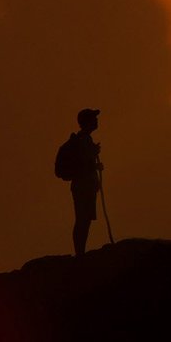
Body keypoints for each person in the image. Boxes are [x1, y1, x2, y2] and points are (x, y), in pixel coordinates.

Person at [69, 108, 103, 256]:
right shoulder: (83, 140)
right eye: (93, 119)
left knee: (85, 219)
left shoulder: (85, 139)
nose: (96, 121)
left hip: (85, 185)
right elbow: (83, 163)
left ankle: (80, 252)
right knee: (82, 219)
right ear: (87, 122)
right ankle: (79, 253)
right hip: (83, 186)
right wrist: (94, 156)